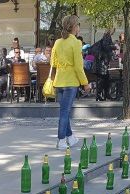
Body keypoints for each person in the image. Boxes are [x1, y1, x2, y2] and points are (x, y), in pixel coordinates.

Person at [51, 14, 90, 149]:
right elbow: (79, 67)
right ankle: (61, 140)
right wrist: (85, 83)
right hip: (70, 82)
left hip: (59, 81)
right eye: (78, 25)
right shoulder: (76, 43)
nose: (79, 27)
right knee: (65, 112)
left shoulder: (57, 42)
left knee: (64, 111)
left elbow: (53, 63)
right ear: (74, 27)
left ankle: (70, 137)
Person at [91, 29, 115, 101]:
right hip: (102, 63)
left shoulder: (105, 36)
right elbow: (106, 47)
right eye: (113, 29)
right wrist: (113, 47)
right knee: (102, 79)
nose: (114, 31)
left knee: (106, 78)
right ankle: (100, 94)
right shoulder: (107, 36)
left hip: (101, 62)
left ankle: (105, 94)